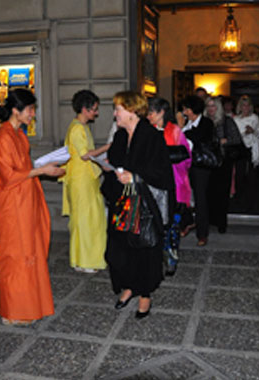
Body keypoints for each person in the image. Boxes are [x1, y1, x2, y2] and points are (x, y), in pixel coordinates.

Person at [0, 89, 64, 326]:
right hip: (12, 204)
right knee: (15, 256)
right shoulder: (3, 137)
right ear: (15, 110)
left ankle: (30, 305)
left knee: (30, 252)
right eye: (30, 109)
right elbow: (6, 176)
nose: (33, 114)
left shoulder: (18, 135)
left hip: (25, 200)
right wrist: (42, 170)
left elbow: (23, 168)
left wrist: (42, 167)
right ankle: (12, 311)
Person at [103, 91, 174, 319]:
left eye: (118, 109)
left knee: (144, 248)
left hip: (144, 205)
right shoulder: (121, 135)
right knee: (118, 249)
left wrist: (135, 176)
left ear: (132, 111)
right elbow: (115, 159)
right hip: (121, 202)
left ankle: (145, 294)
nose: (115, 114)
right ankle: (128, 286)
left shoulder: (152, 136)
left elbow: (161, 172)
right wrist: (109, 166)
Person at [61, 90, 106, 273]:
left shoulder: (81, 126)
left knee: (88, 219)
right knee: (85, 221)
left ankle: (83, 260)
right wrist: (108, 146)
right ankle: (85, 261)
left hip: (86, 178)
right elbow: (85, 155)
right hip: (81, 180)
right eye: (94, 109)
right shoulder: (78, 128)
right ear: (84, 109)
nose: (96, 113)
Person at [147, 96, 192, 275]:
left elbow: (187, 159)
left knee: (172, 225)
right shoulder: (147, 131)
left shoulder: (174, 132)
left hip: (174, 185)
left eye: (151, 112)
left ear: (161, 112)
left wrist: (166, 159)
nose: (148, 116)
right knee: (154, 224)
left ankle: (171, 258)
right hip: (152, 185)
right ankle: (154, 259)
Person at [204, 96, 243, 233]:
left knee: (222, 194)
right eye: (208, 106)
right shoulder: (203, 122)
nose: (211, 109)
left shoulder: (227, 121)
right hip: (207, 162)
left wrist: (224, 141)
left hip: (223, 161)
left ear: (218, 107)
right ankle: (209, 221)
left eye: (213, 106)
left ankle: (221, 223)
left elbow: (237, 139)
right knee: (208, 193)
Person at [181, 95, 215, 246]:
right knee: (185, 197)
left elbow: (198, 137)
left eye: (185, 109)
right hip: (186, 165)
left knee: (201, 199)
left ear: (191, 109)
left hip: (200, 166)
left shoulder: (206, 123)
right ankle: (187, 223)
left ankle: (202, 234)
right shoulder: (187, 123)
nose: (183, 112)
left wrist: (183, 132)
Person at [233, 94, 259, 211]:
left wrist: (253, 131)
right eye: (243, 105)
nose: (245, 108)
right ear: (240, 107)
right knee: (239, 176)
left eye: (247, 105)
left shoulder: (255, 118)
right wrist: (245, 133)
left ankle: (251, 203)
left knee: (252, 177)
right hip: (240, 149)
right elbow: (234, 136)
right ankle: (239, 201)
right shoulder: (236, 119)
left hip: (252, 149)